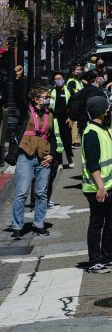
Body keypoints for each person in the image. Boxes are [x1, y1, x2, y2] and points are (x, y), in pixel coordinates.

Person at [81, 96, 112, 273]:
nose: (108, 111)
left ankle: (108, 257)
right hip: (98, 188)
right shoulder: (91, 132)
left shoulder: (104, 129)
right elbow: (93, 164)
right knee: (97, 224)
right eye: (106, 109)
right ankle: (95, 261)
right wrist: (100, 186)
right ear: (101, 111)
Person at [10, 87, 60, 239]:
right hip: (26, 156)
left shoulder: (50, 114)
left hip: (43, 158)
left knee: (41, 193)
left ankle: (39, 224)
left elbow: (52, 138)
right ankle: (17, 226)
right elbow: (18, 98)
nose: (48, 99)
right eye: (45, 97)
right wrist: (18, 81)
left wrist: (52, 155)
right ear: (36, 99)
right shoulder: (26, 111)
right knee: (21, 193)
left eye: (49, 97)